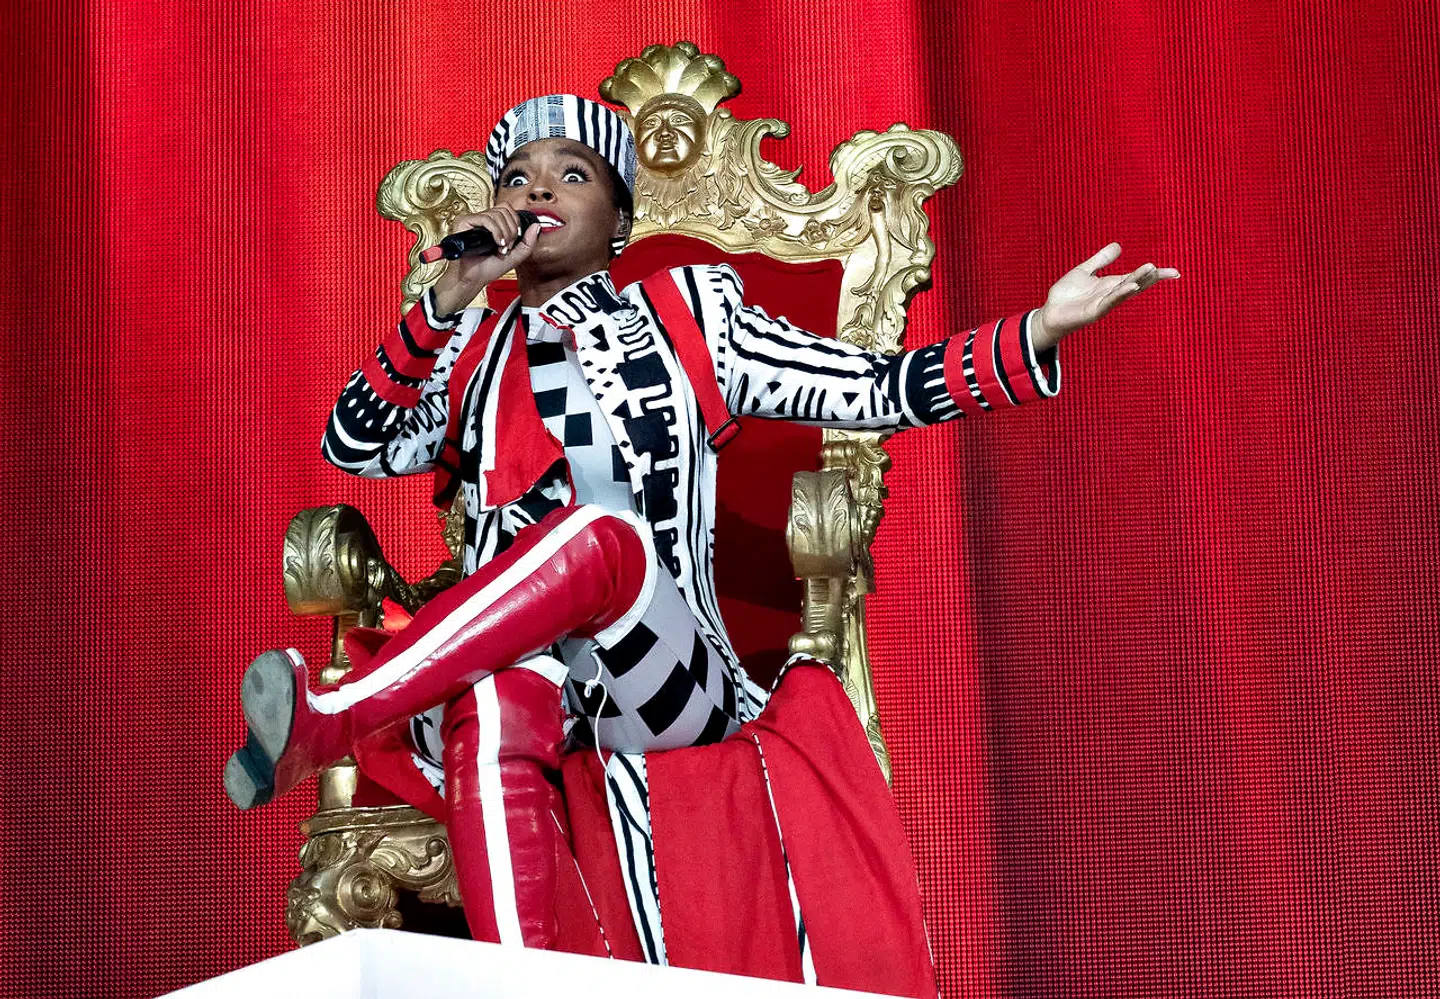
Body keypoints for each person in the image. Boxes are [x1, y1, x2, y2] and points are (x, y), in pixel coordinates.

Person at [224, 93, 1179, 950]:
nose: (537, 189)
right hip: (515, 678)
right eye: (517, 176)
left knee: (604, 540)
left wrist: (1040, 330)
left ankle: (341, 714)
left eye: (573, 173)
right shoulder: (468, 349)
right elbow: (356, 442)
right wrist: (446, 299)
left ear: (619, 222)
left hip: (666, 685)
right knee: (489, 700)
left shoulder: (688, 315)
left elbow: (875, 387)